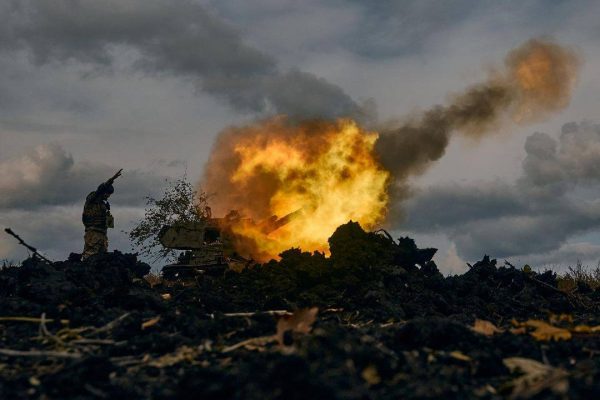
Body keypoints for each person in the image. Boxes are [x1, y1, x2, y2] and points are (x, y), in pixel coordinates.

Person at [81, 169, 122, 260]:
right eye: (107, 193)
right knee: (90, 256)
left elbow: (108, 222)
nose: (108, 196)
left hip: (102, 234)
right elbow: (99, 190)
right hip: (93, 233)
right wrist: (111, 180)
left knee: (102, 259)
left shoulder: (103, 205)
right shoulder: (92, 199)